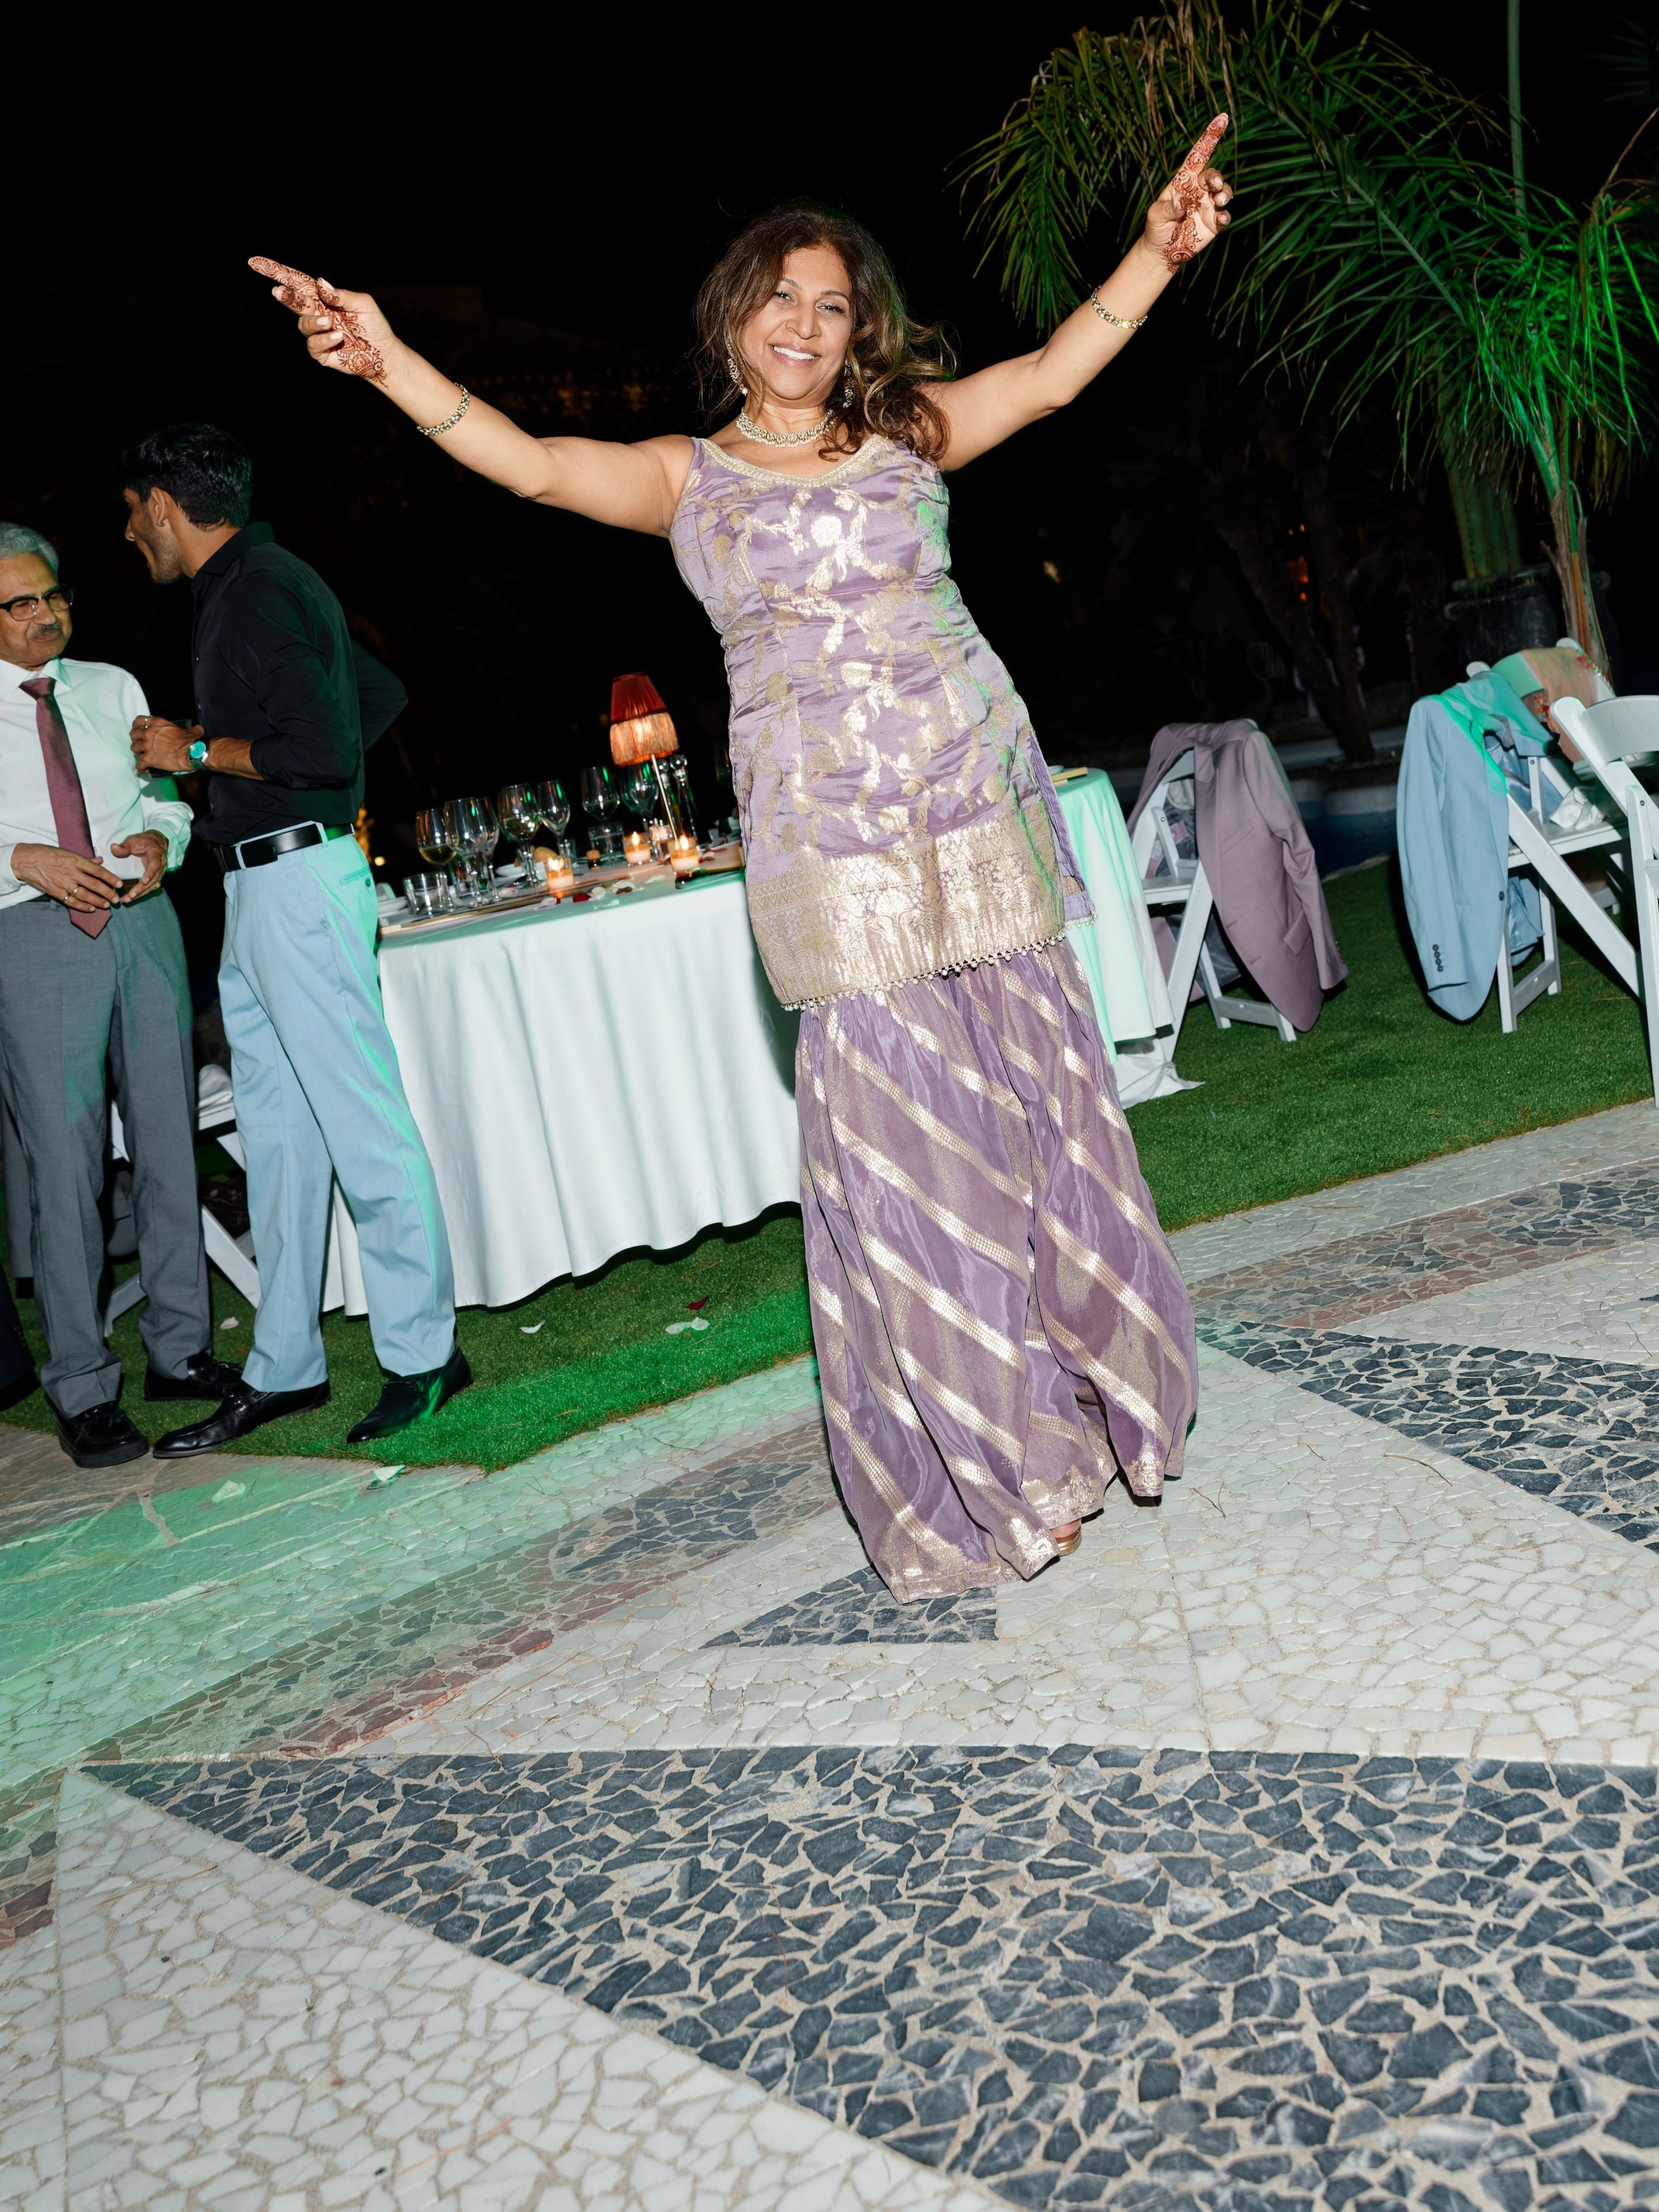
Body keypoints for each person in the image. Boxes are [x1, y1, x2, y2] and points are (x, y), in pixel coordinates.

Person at [253, 153, 1229, 1594]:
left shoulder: (911, 436)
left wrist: (1157, 249)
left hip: (974, 814)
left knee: (1044, 1128)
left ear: (860, 331)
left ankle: (1098, 1403)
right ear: (732, 321)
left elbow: (1058, 371)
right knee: (913, 1172)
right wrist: (385, 356)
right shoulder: (685, 479)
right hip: (833, 860)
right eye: (780, 299)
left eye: (833, 307)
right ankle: (1002, 1458)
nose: (806, 326)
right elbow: (521, 459)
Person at [117, 426, 468, 1454]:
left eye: (129, 514)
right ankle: (284, 1365)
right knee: (276, 1140)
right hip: (264, 889)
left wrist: (196, 750)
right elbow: (373, 702)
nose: (128, 536)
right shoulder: (257, 584)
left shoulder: (259, 588)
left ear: (160, 505)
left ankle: (424, 1352)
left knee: (361, 1125)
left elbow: (317, 748)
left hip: (300, 883)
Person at [0, 522, 225, 1466]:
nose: (45, 615)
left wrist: (161, 840)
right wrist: (21, 857)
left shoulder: (111, 686)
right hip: (32, 933)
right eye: (19, 604)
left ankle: (181, 1350)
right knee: (67, 1165)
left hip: (142, 924)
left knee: (172, 1141)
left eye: (52, 596)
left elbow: (160, 792)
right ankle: (84, 1387)